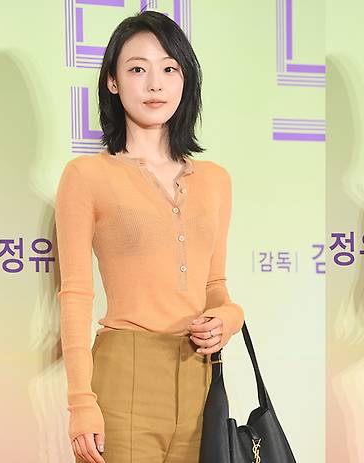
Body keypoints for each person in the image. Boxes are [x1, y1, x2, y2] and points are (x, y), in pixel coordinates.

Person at [55, 11, 244, 463]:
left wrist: (231, 315)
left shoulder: (216, 180)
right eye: (137, 69)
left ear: (185, 80)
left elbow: (214, 285)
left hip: (201, 378)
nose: (155, 84)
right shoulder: (86, 175)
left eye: (169, 68)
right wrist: (81, 402)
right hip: (124, 376)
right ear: (113, 82)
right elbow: (76, 295)